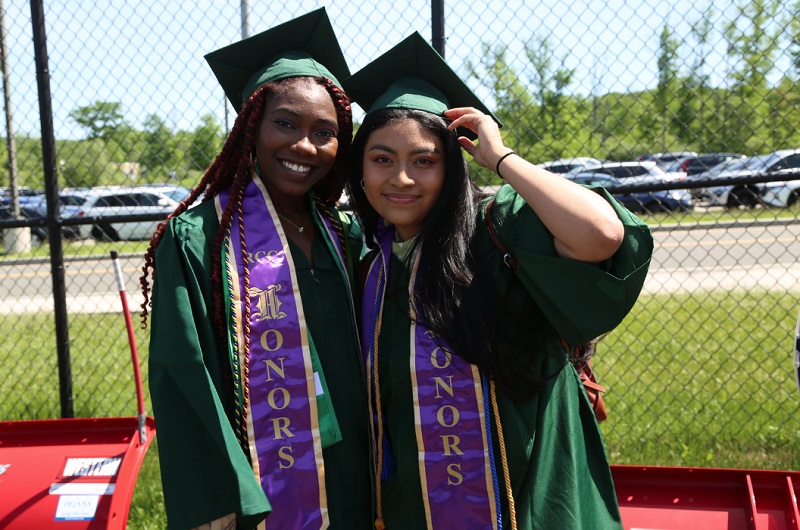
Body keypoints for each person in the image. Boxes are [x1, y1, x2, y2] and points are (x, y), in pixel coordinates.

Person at [342, 33, 653, 530]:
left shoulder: (497, 227)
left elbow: (601, 235)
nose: (401, 178)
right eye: (382, 159)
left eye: (424, 160)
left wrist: (501, 159)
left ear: (453, 165)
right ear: (360, 168)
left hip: (526, 492)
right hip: (415, 503)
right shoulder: (367, 259)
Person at [139, 9, 371, 530]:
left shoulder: (347, 236)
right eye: (285, 123)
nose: (304, 146)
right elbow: (185, 372)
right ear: (251, 126)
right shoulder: (201, 238)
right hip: (263, 484)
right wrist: (221, 495)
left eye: (325, 133)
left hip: (359, 469)